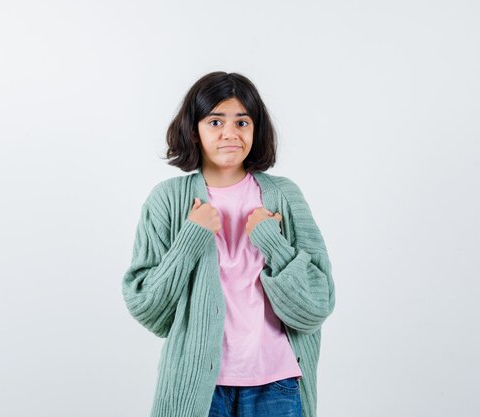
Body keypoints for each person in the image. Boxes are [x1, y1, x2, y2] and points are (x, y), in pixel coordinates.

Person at [121, 71, 335, 417]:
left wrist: (274, 245)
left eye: (242, 122)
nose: (230, 133)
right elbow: (147, 306)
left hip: (277, 384)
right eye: (216, 121)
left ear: (256, 130)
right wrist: (190, 238)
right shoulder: (167, 201)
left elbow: (317, 304)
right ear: (194, 130)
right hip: (197, 388)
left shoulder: (283, 196)